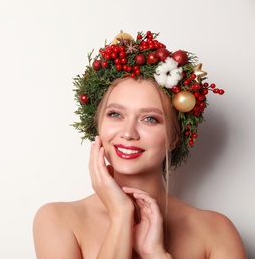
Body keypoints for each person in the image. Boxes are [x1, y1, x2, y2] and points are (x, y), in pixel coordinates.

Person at [33, 31, 247, 258]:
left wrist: (156, 254)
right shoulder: (57, 219)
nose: (128, 133)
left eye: (150, 119)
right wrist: (121, 215)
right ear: (98, 124)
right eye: (115, 114)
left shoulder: (216, 231)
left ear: (174, 137)